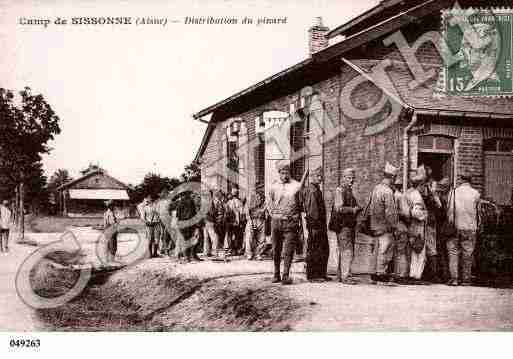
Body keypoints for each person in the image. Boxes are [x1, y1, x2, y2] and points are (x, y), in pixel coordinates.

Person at [268, 163, 309, 285]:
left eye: (286, 172)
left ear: (289, 172)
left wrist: (297, 217)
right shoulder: (273, 186)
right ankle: (276, 274)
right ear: (279, 173)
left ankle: (285, 275)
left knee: (288, 250)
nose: (284, 175)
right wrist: (273, 214)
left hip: (290, 222)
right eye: (282, 173)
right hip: (276, 222)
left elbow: (301, 204)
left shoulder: (296, 186)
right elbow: (269, 202)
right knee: (275, 249)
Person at [366, 162, 399, 283]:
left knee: (376, 249)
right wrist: (394, 226)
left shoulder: (376, 188)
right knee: (385, 249)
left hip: (375, 224)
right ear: (392, 177)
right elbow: (390, 212)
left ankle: (374, 273)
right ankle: (381, 272)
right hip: (385, 226)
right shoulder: (388, 191)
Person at [446, 174, 481, 286]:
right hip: (470, 227)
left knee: (453, 252)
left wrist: (451, 224)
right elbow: (478, 213)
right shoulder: (476, 194)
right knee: (467, 254)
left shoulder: (453, 192)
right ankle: (466, 279)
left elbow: (450, 211)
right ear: (471, 181)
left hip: (455, 227)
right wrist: (478, 226)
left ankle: (454, 278)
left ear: (461, 180)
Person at [332, 168, 361, 284]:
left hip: (347, 225)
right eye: (349, 178)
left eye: (353, 178)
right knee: (347, 251)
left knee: (345, 250)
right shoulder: (340, 190)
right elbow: (339, 208)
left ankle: (340, 275)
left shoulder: (348, 190)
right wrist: (353, 210)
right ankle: (345, 276)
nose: (351, 180)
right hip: (343, 226)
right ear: (343, 178)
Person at [303, 166, 331, 282]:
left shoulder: (316, 189)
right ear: (312, 177)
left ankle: (320, 274)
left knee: (323, 250)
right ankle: (313, 275)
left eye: (321, 176)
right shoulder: (312, 191)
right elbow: (312, 211)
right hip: (316, 226)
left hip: (319, 225)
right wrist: (314, 226)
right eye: (318, 176)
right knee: (315, 250)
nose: (320, 178)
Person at [404, 166, 429, 283]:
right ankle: (415, 275)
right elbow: (416, 212)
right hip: (417, 226)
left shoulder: (408, 193)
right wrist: (425, 214)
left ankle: (412, 274)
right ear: (420, 185)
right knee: (418, 251)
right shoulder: (417, 196)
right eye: (423, 185)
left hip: (410, 226)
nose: (424, 188)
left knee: (413, 249)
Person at [419, 166, 442, 283]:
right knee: (428, 247)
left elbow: (438, 206)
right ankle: (429, 273)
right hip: (425, 221)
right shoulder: (425, 189)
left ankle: (431, 274)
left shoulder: (427, 189)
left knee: (430, 247)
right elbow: (439, 205)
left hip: (427, 222)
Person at [392, 176, 411, 284]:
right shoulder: (401, 196)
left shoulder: (392, 195)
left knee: (397, 251)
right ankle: (402, 274)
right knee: (402, 251)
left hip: (393, 226)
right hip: (401, 226)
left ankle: (397, 273)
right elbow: (406, 213)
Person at [175, 193, 202, 262]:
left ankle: (187, 256)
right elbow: (193, 213)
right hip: (189, 222)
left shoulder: (180, 202)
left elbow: (177, 215)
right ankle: (191, 255)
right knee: (192, 239)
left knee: (187, 239)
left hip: (184, 222)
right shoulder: (191, 202)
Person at [244, 191, 269, 260]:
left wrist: (265, 219)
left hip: (261, 220)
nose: (260, 199)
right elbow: (246, 212)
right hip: (252, 220)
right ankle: (249, 254)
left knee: (262, 238)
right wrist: (250, 221)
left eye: (261, 197)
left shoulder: (264, 203)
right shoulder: (250, 201)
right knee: (249, 238)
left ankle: (258, 253)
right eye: (258, 197)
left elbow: (266, 212)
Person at [225, 188, 245, 256]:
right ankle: (235, 249)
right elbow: (242, 213)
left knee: (230, 236)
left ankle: (231, 249)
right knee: (236, 236)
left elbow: (226, 212)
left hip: (231, 222)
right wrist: (241, 222)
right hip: (236, 222)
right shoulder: (240, 202)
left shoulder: (228, 202)